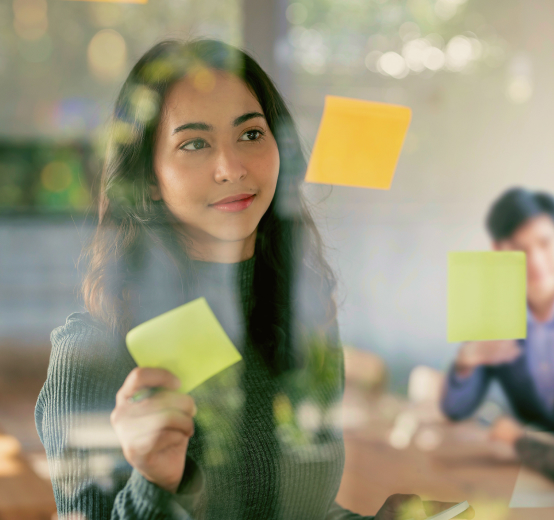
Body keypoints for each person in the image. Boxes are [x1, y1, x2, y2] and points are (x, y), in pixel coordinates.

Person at [36, 39, 473, 520]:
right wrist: (154, 484)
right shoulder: (92, 351)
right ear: (150, 181)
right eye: (194, 144)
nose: (232, 168)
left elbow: (296, 507)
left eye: (250, 135)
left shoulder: (300, 319)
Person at [442, 188, 554, 430]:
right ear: (498, 251)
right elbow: (455, 409)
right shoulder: (496, 316)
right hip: (529, 463)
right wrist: (465, 364)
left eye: (545, 243)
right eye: (520, 249)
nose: (535, 262)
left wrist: (518, 438)